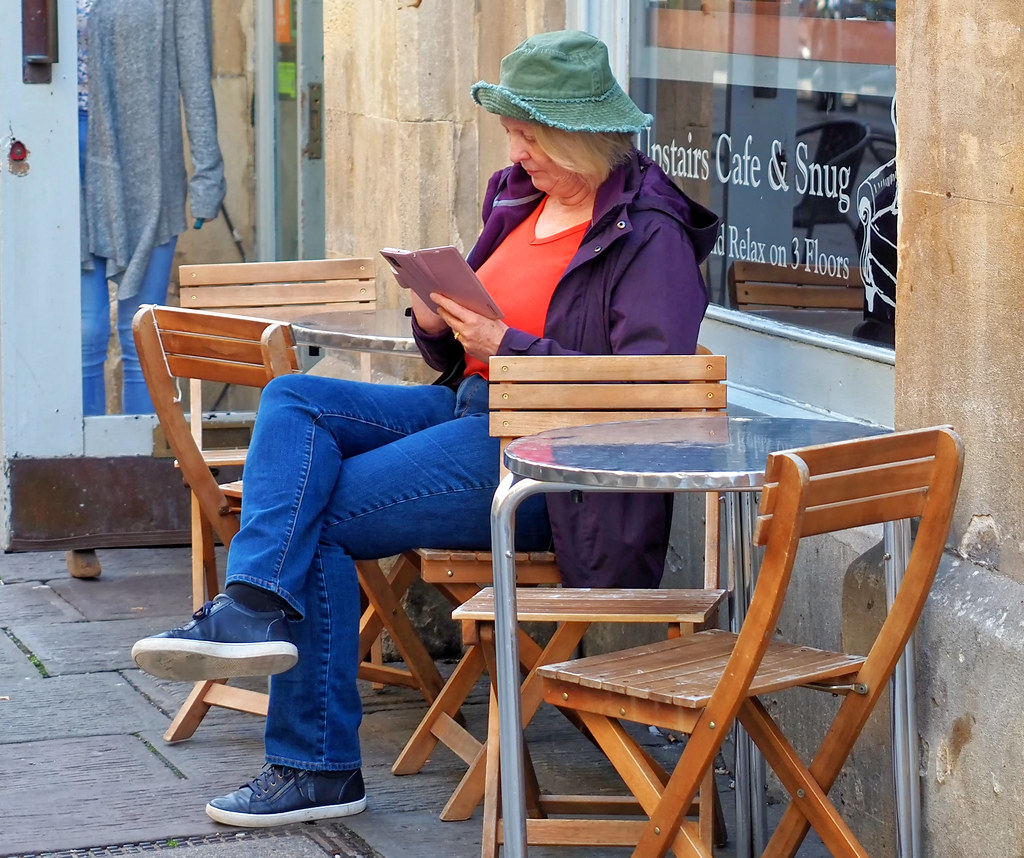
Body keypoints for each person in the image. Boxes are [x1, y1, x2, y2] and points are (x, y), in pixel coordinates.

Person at [130, 30, 719, 828]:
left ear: (579, 136)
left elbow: (645, 396)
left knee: (321, 517)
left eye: (529, 135)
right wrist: (434, 322)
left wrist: (506, 346)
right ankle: (253, 601)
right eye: (513, 132)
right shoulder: (518, 198)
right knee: (296, 399)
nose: (515, 151)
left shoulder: (649, 233)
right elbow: (463, 345)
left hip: (553, 464)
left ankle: (316, 766)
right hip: (472, 410)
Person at [78, 0, 226, 415]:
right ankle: (77, 473)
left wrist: (207, 175)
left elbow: (196, 76)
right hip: (63, 162)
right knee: (83, 333)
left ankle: (143, 468)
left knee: (141, 333)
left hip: (146, 167)